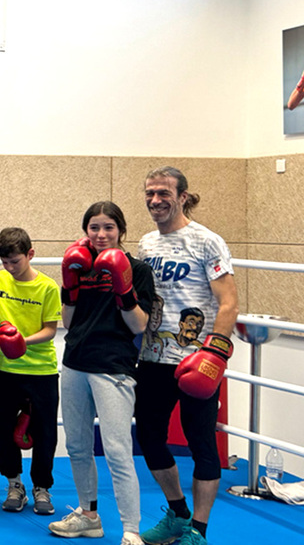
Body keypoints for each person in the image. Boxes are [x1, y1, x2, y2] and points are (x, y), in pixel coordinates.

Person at [135, 168, 238, 545]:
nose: (155, 200)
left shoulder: (207, 241)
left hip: (197, 360)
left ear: (182, 196)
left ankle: (200, 528)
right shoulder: (146, 244)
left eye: (163, 193)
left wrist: (216, 353)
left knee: (201, 444)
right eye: (150, 193)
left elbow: (229, 303)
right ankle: (177, 513)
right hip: (152, 357)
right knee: (148, 437)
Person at [49, 202, 152, 545]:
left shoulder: (137, 270)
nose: (101, 234)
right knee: (77, 445)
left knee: (118, 449)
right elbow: (68, 323)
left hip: (113, 367)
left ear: (121, 230)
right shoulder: (78, 265)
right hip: (76, 361)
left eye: (108, 227)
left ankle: (131, 530)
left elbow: (139, 324)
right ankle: (89, 515)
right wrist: (71, 285)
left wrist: (123, 290)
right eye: (94, 227)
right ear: (86, 231)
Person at [0, 227, 60, 516]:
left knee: (45, 432)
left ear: (30, 254)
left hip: (41, 370)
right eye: (5, 262)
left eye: (15, 261)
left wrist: (22, 342)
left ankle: (42, 488)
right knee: (1, 428)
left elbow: (51, 330)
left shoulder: (48, 287)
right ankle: (14, 484)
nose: (10, 268)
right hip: (6, 368)